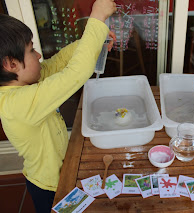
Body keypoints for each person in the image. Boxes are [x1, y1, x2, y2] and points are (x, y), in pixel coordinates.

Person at [0, 0, 116, 212]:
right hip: (49, 186)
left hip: (62, 172)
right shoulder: (17, 104)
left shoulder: (26, 83)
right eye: (31, 50)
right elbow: (75, 74)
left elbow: (58, 63)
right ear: (11, 64)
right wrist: (97, 18)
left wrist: (93, 40)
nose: (38, 55)